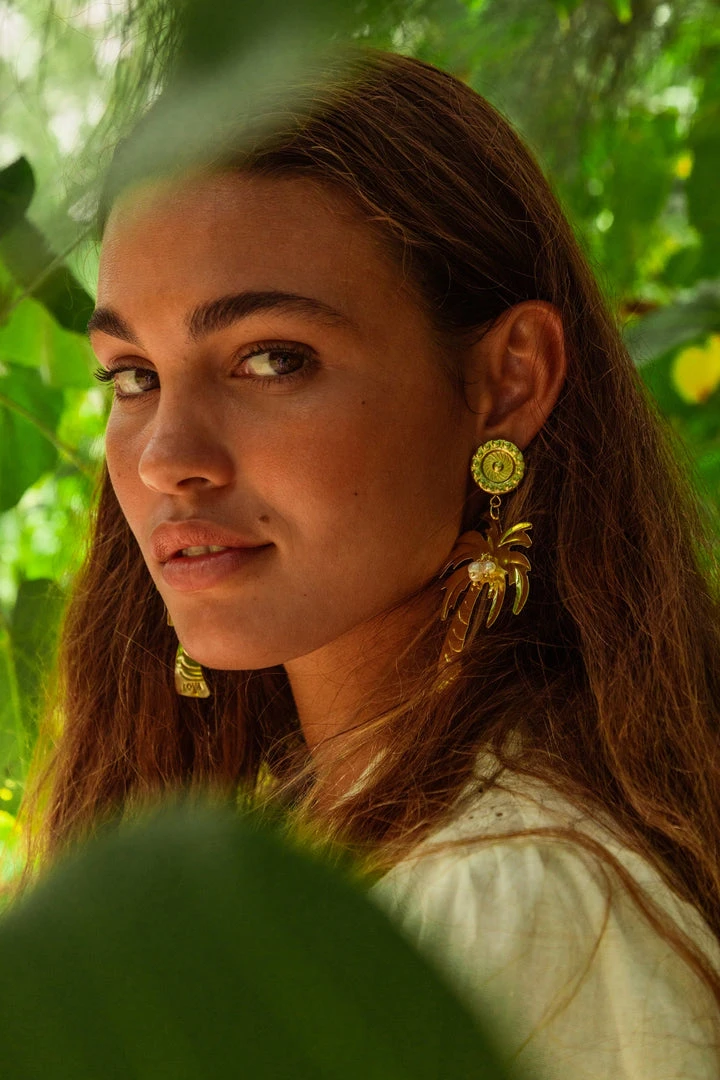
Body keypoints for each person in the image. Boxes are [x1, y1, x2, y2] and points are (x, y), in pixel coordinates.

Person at [16, 47, 720, 1077]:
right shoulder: (310, 853)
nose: (166, 457)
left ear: (508, 382)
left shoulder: (507, 905)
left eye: (271, 358)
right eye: (132, 376)